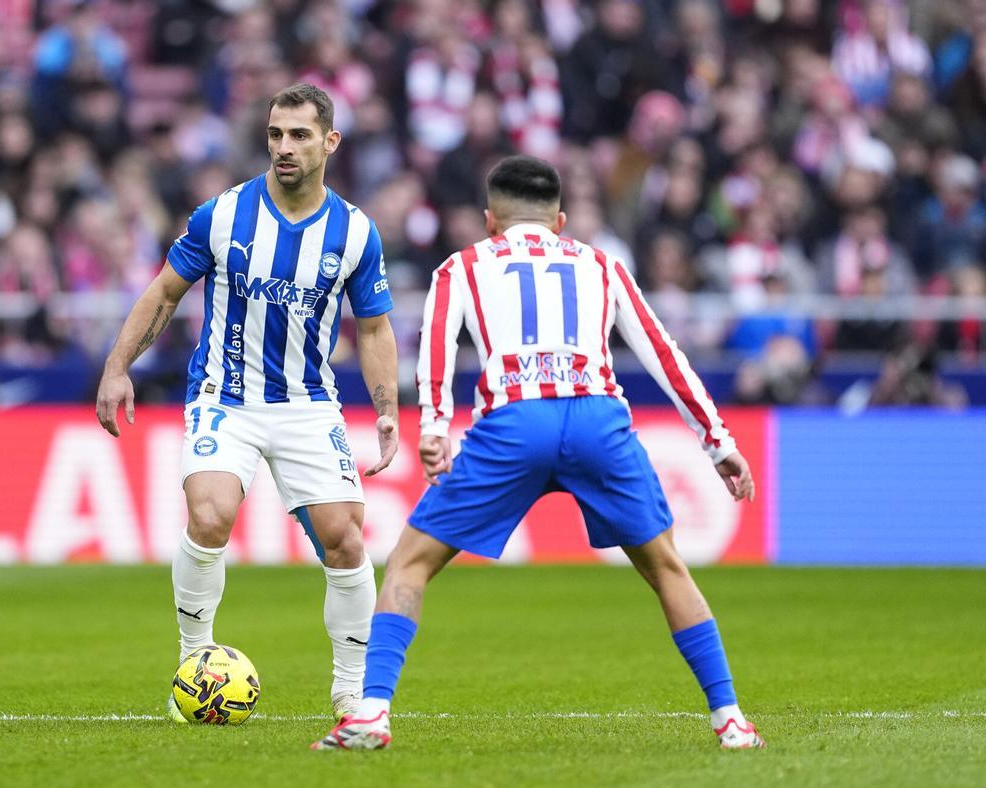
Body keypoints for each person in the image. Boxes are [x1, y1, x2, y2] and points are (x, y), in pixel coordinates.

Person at [313, 156, 764, 751]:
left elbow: (436, 346)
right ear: (561, 218)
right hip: (598, 419)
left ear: (489, 220)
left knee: (410, 564)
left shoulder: (463, 266)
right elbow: (664, 353)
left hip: (514, 424)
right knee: (666, 568)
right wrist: (719, 444)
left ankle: (372, 713)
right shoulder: (603, 265)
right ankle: (729, 718)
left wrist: (436, 427)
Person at [95, 84, 400, 722]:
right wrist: (118, 367)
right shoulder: (224, 215)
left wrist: (387, 408)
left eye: (299, 136)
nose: (284, 147)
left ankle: (350, 688)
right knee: (209, 516)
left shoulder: (354, 231)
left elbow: (372, 328)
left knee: (345, 538)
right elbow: (164, 293)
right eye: (275, 134)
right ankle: (195, 659)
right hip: (225, 397)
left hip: (309, 403)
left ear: (330, 143)